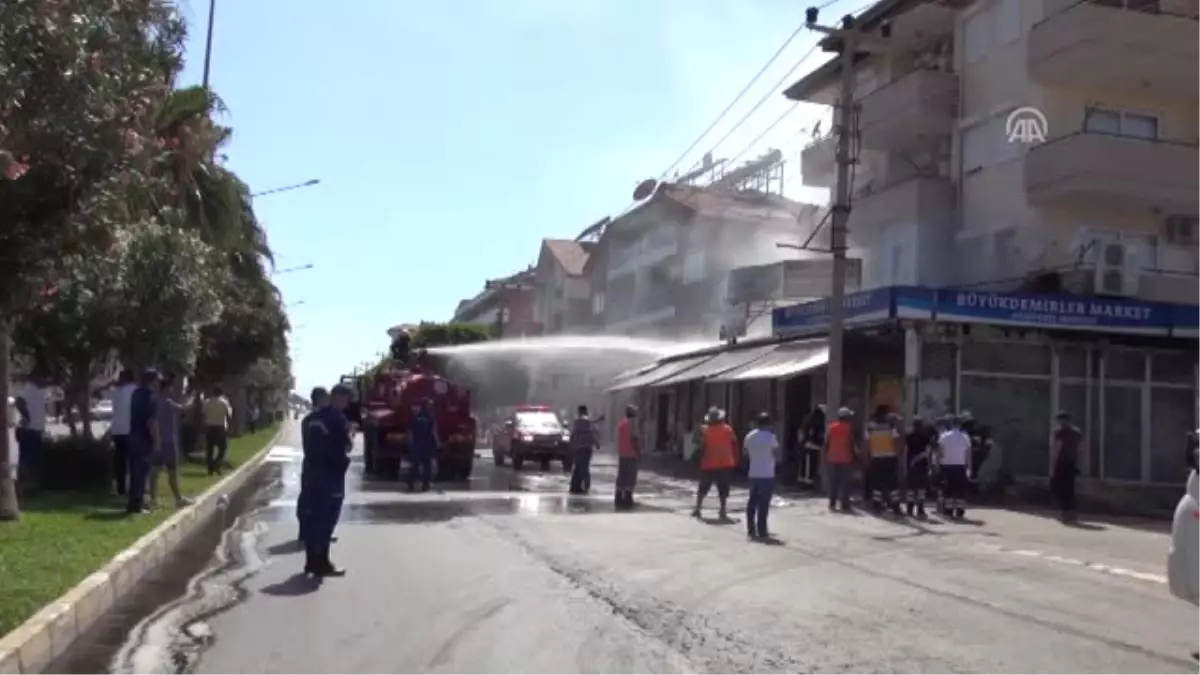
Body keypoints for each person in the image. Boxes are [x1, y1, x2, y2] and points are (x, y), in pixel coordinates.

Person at [303, 384, 353, 577]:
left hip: (310, 473)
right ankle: (322, 563)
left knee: (312, 516)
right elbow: (346, 447)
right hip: (331, 475)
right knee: (327, 519)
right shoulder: (338, 419)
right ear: (339, 398)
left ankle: (310, 562)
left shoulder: (309, 419)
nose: (347, 404)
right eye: (346, 400)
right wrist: (350, 435)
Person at [148, 373, 192, 509]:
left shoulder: (155, 400)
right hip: (168, 442)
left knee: (154, 471)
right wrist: (192, 399)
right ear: (166, 388)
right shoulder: (167, 401)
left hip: (158, 441)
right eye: (171, 388)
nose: (172, 390)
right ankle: (178, 499)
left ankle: (153, 499)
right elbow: (182, 409)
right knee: (172, 471)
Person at [692, 408, 738, 520]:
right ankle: (722, 510)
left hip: (708, 462)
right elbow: (734, 441)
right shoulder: (728, 429)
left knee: (703, 488)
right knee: (723, 488)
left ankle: (698, 509)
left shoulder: (704, 430)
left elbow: (695, 441)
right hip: (725, 462)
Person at [298, 387, 329, 543]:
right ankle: (312, 532)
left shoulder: (308, 419)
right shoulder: (319, 419)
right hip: (319, 464)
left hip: (310, 462)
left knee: (308, 497)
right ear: (321, 399)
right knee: (317, 499)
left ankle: (308, 532)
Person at [127, 369, 160, 515]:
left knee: (135, 472)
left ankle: (133, 503)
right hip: (144, 438)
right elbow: (151, 421)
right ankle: (138, 505)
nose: (159, 384)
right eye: (157, 381)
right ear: (151, 381)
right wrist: (157, 439)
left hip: (133, 435)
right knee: (142, 472)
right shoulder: (150, 397)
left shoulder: (135, 393)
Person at [744, 412, 779, 539]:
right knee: (764, 504)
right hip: (767, 473)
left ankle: (751, 529)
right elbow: (775, 453)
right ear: (768, 424)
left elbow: (746, 454)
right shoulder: (771, 437)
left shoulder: (749, 436)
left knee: (752, 501)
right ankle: (762, 530)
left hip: (753, 473)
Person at [864, 405, 902, 514]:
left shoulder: (870, 427)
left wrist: (866, 457)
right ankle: (895, 506)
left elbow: (866, 443)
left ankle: (877, 505)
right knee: (893, 484)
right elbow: (896, 440)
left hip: (876, 457)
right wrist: (898, 453)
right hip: (890, 457)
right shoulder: (891, 425)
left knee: (877, 483)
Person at [14, 376, 48, 489]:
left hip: (37, 430)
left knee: (34, 460)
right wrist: (26, 416)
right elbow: (19, 401)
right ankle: (22, 486)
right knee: (26, 460)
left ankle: (30, 486)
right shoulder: (29, 390)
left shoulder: (39, 391)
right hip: (29, 430)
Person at [936, 414, 972, 520]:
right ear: (960, 424)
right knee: (960, 489)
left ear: (951, 424)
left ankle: (948, 510)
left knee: (948, 489)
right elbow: (968, 454)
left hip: (946, 465)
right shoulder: (965, 437)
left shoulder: (944, 436)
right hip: (960, 465)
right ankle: (960, 511)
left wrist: (937, 465)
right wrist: (969, 468)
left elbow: (940, 453)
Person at [1051, 410, 1083, 523]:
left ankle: (1067, 511)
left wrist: (1053, 462)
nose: (1060, 422)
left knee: (1063, 487)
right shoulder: (1075, 432)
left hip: (1064, 462)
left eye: (1061, 420)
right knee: (1067, 487)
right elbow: (1080, 449)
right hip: (1069, 462)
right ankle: (1070, 511)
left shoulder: (1061, 433)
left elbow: (1057, 448)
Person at [109, 369, 136, 496]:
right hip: (131, 430)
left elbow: (98, 392)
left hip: (118, 431)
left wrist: (110, 384)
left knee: (119, 461)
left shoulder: (116, 391)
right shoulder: (135, 390)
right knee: (132, 460)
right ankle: (132, 486)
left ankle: (121, 488)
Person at [824, 407, 857, 511]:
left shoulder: (831, 427)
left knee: (834, 482)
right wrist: (855, 456)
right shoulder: (849, 428)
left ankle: (832, 503)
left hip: (832, 458)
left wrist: (825, 455)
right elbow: (851, 442)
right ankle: (845, 505)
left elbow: (827, 443)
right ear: (846, 417)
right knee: (845, 483)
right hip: (845, 458)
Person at [904, 418, 935, 518]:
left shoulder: (908, 437)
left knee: (911, 489)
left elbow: (905, 451)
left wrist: (908, 463)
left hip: (911, 465)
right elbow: (927, 453)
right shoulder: (926, 437)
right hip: (922, 465)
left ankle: (909, 510)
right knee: (921, 489)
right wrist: (930, 466)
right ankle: (920, 510)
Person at [408, 398, 438, 492]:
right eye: (430, 404)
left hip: (418, 444)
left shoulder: (416, 416)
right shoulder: (430, 417)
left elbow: (410, 431)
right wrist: (438, 443)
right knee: (426, 465)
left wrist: (410, 442)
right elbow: (434, 431)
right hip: (426, 444)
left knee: (416, 464)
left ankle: (411, 484)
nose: (431, 406)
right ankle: (425, 485)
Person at [614, 405, 640, 509]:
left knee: (622, 476)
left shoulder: (621, 423)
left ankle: (619, 496)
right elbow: (634, 438)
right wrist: (638, 451)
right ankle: (628, 497)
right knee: (630, 476)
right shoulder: (632, 423)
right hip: (631, 454)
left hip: (622, 454)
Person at [569, 405, 598, 495]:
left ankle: (575, 486)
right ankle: (585, 486)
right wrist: (596, 444)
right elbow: (593, 434)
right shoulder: (587, 421)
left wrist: (571, 445)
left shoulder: (577, 422)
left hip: (578, 448)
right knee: (584, 468)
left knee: (578, 467)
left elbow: (573, 435)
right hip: (586, 448)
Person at [202, 386, 232, 476]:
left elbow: (203, 413)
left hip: (209, 427)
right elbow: (229, 415)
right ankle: (216, 464)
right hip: (220, 427)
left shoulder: (207, 402)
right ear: (221, 394)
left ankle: (210, 469)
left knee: (210, 449)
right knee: (223, 448)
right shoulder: (224, 402)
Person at [799, 404, 826, 484]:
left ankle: (806, 480)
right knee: (809, 464)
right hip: (811, 444)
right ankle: (807, 482)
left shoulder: (811, 419)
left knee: (809, 464)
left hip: (810, 444)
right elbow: (812, 432)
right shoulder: (816, 420)